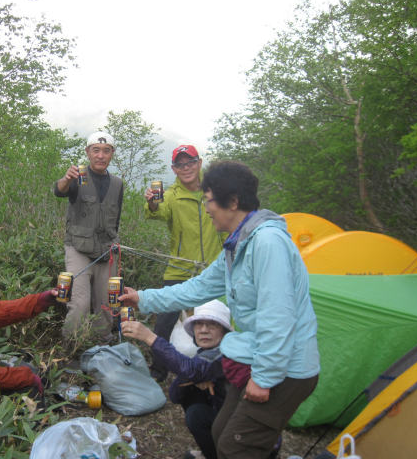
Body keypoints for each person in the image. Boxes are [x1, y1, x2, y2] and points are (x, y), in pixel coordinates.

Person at [119, 160, 320, 459]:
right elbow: (197, 288)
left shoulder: (267, 243)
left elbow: (278, 317)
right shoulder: (237, 245)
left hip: (285, 367)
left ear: (233, 201)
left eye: (209, 200)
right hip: (257, 355)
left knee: (236, 446)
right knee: (220, 432)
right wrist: (143, 299)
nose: (207, 208)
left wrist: (264, 377)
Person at [122, 300, 250, 459]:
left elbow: (190, 370)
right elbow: (176, 394)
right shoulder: (205, 353)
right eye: (199, 324)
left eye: (212, 325)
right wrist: (195, 380)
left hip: (247, 432)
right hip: (225, 420)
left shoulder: (224, 354)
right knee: (194, 406)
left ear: (224, 331)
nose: (204, 330)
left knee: (196, 414)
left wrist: (150, 338)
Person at [144, 144, 225, 381]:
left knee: (217, 319)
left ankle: (215, 368)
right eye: (180, 164)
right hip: (179, 268)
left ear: (199, 163)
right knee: (164, 321)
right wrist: (151, 203)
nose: (186, 168)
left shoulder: (213, 192)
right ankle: (158, 370)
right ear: (174, 169)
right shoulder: (171, 196)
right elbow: (158, 212)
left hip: (213, 267)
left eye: (190, 162)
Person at [53, 131, 124, 343]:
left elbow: (116, 217)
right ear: (88, 152)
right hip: (78, 248)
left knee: (108, 301)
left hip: (107, 249)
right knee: (80, 303)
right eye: (96, 150)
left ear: (111, 154)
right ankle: (70, 344)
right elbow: (58, 191)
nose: (101, 156)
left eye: (106, 151)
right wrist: (66, 178)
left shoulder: (118, 184)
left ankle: (102, 340)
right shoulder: (77, 176)